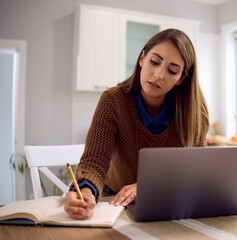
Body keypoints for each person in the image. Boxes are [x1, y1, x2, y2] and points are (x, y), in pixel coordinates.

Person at [64, 29, 210, 220]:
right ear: (142, 58)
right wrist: (85, 191)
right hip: (115, 199)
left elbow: (195, 173)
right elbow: (94, 163)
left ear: (181, 79)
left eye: (172, 70)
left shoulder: (195, 114)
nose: (158, 75)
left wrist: (149, 187)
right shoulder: (112, 101)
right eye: (154, 62)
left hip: (169, 200)